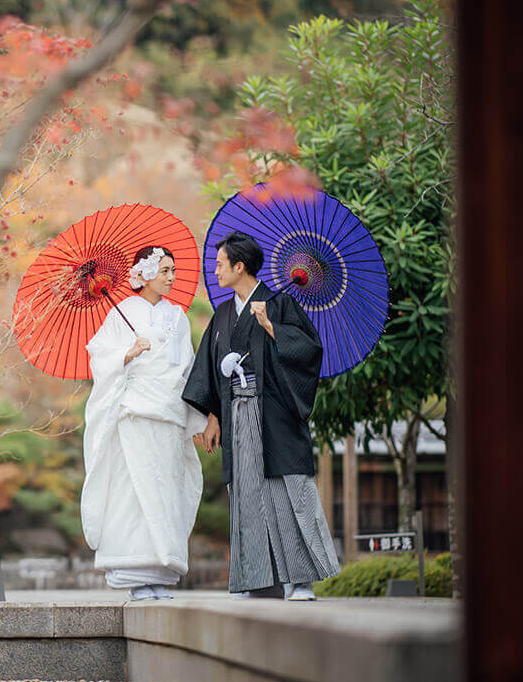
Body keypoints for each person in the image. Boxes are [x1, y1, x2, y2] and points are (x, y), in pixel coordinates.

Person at [182, 231, 340, 600]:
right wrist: (212, 417)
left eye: (221, 264)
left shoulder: (280, 305)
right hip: (236, 414)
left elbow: (309, 351)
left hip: (275, 414)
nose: (216, 270)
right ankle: (255, 580)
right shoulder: (222, 315)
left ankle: (301, 580)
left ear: (240, 267)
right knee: (247, 494)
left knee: (288, 490)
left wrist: (272, 327)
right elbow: (207, 368)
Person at [81, 246, 207, 600]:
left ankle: (161, 571)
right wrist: (126, 353)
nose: (171, 277)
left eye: (172, 270)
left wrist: (194, 418)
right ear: (146, 273)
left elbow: (188, 368)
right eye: (164, 270)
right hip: (133, 413)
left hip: (167, 413)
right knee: (132, 492)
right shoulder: (121, 314)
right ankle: (133, 574)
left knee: (165, 491)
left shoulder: (178, 317)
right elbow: (99, 356)